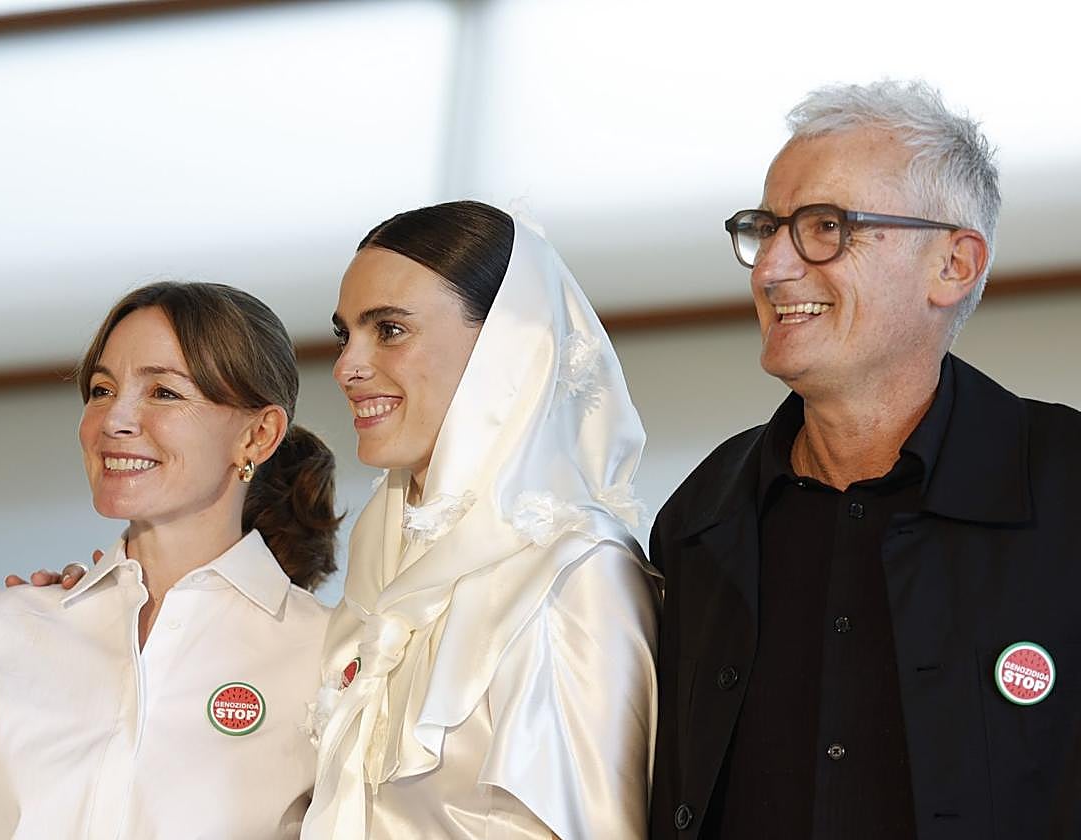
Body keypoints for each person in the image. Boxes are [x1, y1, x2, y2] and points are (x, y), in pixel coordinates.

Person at [648, 80, 1081, 839]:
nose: (770, 269)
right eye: (766, 229)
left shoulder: (1067, 486)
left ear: (953, 265)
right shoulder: (701, 516)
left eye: (825, 226)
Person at [0, 282, 339, 839]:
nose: (113, 420)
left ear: (258, 434)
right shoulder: (2, 630)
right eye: (102, 390)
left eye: (164, 393)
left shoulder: (329, 653)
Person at [302, 200, 660, 838]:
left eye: (389, 330)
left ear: (505, 348)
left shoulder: (574, 571)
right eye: (344, 335)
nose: (346, 367)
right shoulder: (378, 555)